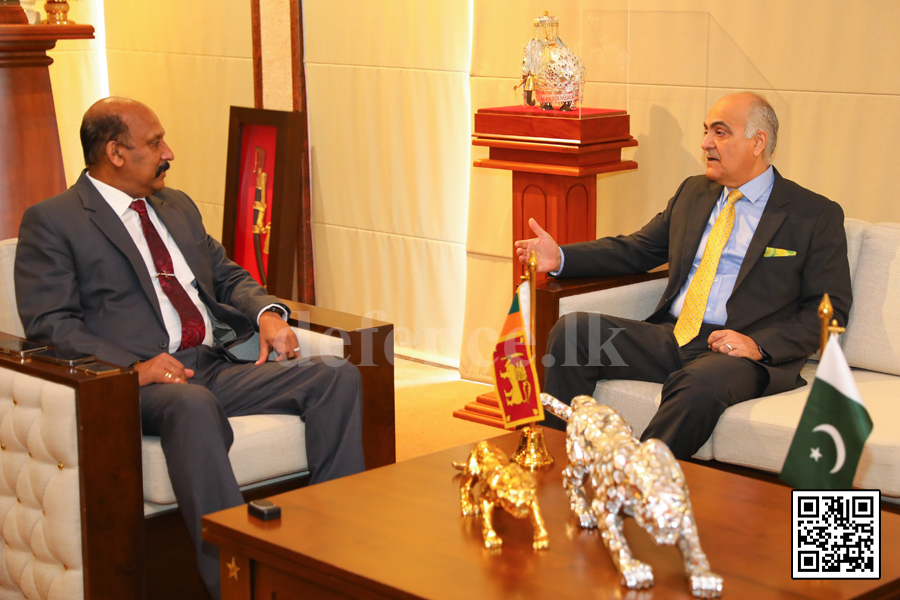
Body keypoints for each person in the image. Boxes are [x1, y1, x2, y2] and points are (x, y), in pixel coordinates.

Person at [14, 97, 365, 599]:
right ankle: (233, 580)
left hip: (213, 364)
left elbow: (225, 275)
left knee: (335, 374)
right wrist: (133, 368)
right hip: (137, 384)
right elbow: (49, 323)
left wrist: (266, 313)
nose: (169, 152)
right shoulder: (55, 221)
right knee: (191, 403)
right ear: (115, 151)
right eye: (155, 142)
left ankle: (333, 552)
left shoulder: (175, 205)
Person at [515, 92, 852, 459]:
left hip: (739, 353)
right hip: (672, 335)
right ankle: (556, 463)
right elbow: (637, 250)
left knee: (699, 382)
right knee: (574, 331)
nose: (706, 143)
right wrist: (561, 256)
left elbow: (830, 308)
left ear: (758, 142)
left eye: (720, 133)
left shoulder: (813, 214)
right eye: (707, 131)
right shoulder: (694, 192)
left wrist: (759, 346)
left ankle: (639, 483)